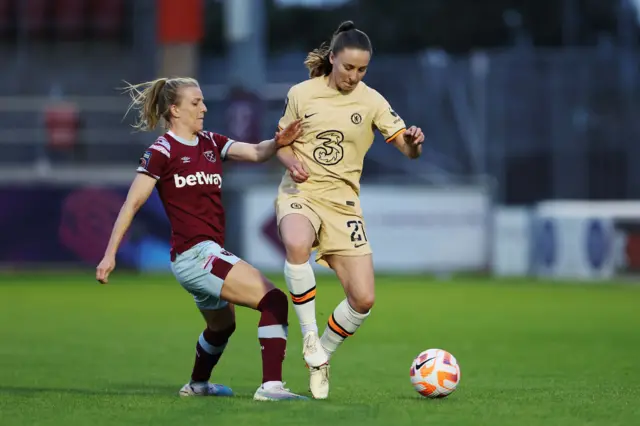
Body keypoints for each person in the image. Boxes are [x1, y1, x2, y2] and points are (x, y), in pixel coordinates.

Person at [95, 77, 308, 402]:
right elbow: (132, 203)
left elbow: (253, 151)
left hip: (201, 257)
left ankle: (197, 385)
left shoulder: (211, 142)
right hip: (196, 255)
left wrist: (278, 142)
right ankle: (271, 387)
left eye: (203, 101)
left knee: (222, 327)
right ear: (175, 109)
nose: (204, 107)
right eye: (195, 102)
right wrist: (110, 254)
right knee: (274, 300)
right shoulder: (161, 151)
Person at [275, 21, 425, 399]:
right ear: (332, 59)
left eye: (362, 70)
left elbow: (407, 148)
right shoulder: (301, 94)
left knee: (363, 299)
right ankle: (309, 336)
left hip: (344, 204)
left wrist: (414, 143)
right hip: (302, 192)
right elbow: (281, 144)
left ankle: (322, 355)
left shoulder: (372, 100)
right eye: (348, 68)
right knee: (296, 243)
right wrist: (291, 162)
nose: (354, 76)